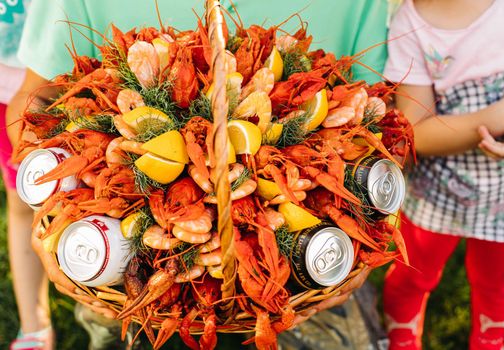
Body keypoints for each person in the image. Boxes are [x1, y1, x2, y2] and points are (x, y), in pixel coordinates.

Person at [12, 0, 392, 348]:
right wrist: (50, 223)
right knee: (118, 326)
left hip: (313, 270)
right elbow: (39, 99)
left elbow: (378, 126)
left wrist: (368, 242)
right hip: (117, 277)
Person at [382, 0, 504, 349]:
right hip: (438, 192)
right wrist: (502, 115)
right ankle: (401, 334)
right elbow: (418, 133)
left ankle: (489, 337)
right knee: (414, 272)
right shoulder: (409, 25)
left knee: (495, 279)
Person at [0, 1, 55, 349]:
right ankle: (35, 326)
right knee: (22, 202)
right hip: (6, 89)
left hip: (65, 82)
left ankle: (108, 310)